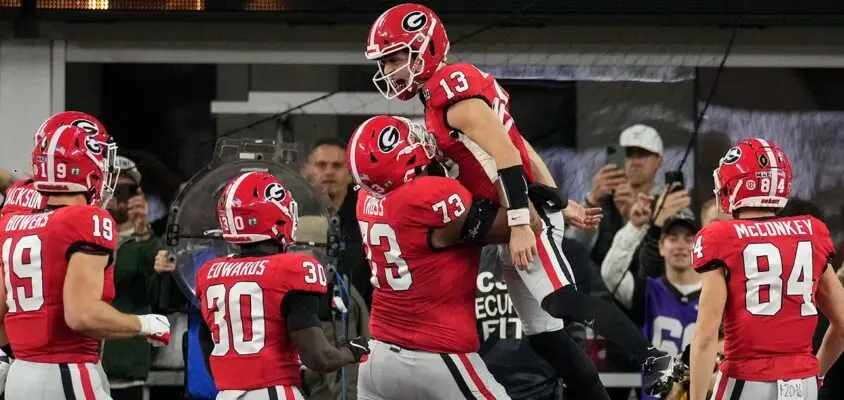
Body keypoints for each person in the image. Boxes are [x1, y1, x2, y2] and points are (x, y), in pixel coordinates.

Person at [364, 3, 684, 395]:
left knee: (564, 301)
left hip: (521, 215)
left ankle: (654, 357)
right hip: (520, 208)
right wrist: (559, 200)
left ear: (425, 48)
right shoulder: (443, 93)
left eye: (396, 58)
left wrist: (521, 222)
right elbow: (521, 146)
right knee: (544, 336)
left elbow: (507, 154)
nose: (389, 70)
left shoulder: (452, 94)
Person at [349, 115, 542, 399]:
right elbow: (528, 221)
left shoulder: (366, 199)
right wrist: (490, 156)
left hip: (378, 359)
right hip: (435, 355)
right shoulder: (430, 196)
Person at [0, 124, 171, 399]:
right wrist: (144, 324)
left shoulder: (13, 220)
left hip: (22, 372)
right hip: (66, 369)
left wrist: (6, 355)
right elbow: (81, 314)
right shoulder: (87, 219)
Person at [690, 138, 844, 400]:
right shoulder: (811, 232)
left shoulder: (720, 237)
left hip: (746, 380)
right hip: (802, 384)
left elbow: (706, 336)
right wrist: (813, 372)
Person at [194, 171, 370, 399]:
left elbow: (207, 343)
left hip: (226, 394)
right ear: (277, 216)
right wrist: (351, 351)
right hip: (274, 391)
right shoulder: (291, 269)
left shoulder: (210, 273)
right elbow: (319, 358)